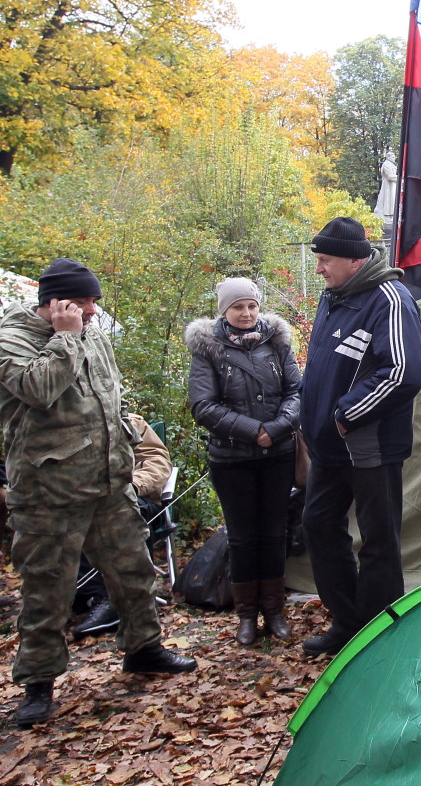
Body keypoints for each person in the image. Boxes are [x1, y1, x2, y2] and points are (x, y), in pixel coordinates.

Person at [0, 259, 196, 729]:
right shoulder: (13, 339)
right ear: (55, 301)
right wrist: (65, 335)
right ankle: (38, 684)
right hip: (50, 494)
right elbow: (39, 388)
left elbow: (110, 397)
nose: (91, 312)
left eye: (93, 303)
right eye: (83, 303)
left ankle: (144, 650)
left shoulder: (94, 332)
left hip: (109, 485)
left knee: (133, 573)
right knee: (48, 590)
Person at [299, 218, 421, 657]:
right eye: (318, 260)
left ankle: (376, 636)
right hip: (328, 447)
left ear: (355, 260)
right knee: (318, 525)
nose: (319, 269)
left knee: (378, 539)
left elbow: (404, 373)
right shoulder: (333, 297)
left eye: (325, 260)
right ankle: (348, 622)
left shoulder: (390, 300)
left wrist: (345, 415)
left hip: (370, 446)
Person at [186, 278, 302, 646]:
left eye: (251, 306)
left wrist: (278, 428)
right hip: (232, 459)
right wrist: (255, 431)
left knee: (274, 533)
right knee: (242, 537)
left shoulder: (276, 341)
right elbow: (203, 406)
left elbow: (296, 391)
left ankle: (275, 611)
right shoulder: (208, 349)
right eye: (238, 307)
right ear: (224, 310)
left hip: (278, 455)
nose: (246, 313)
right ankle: (247, 616)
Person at [70, 414, 173, 639]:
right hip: (90, 502)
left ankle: (111, 601)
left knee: (127, 513)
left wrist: (133, 486)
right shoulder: (73, 426)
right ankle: (93, 597)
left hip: (137, 497)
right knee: (76, 520)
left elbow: (158, 461)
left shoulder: (132, 421)